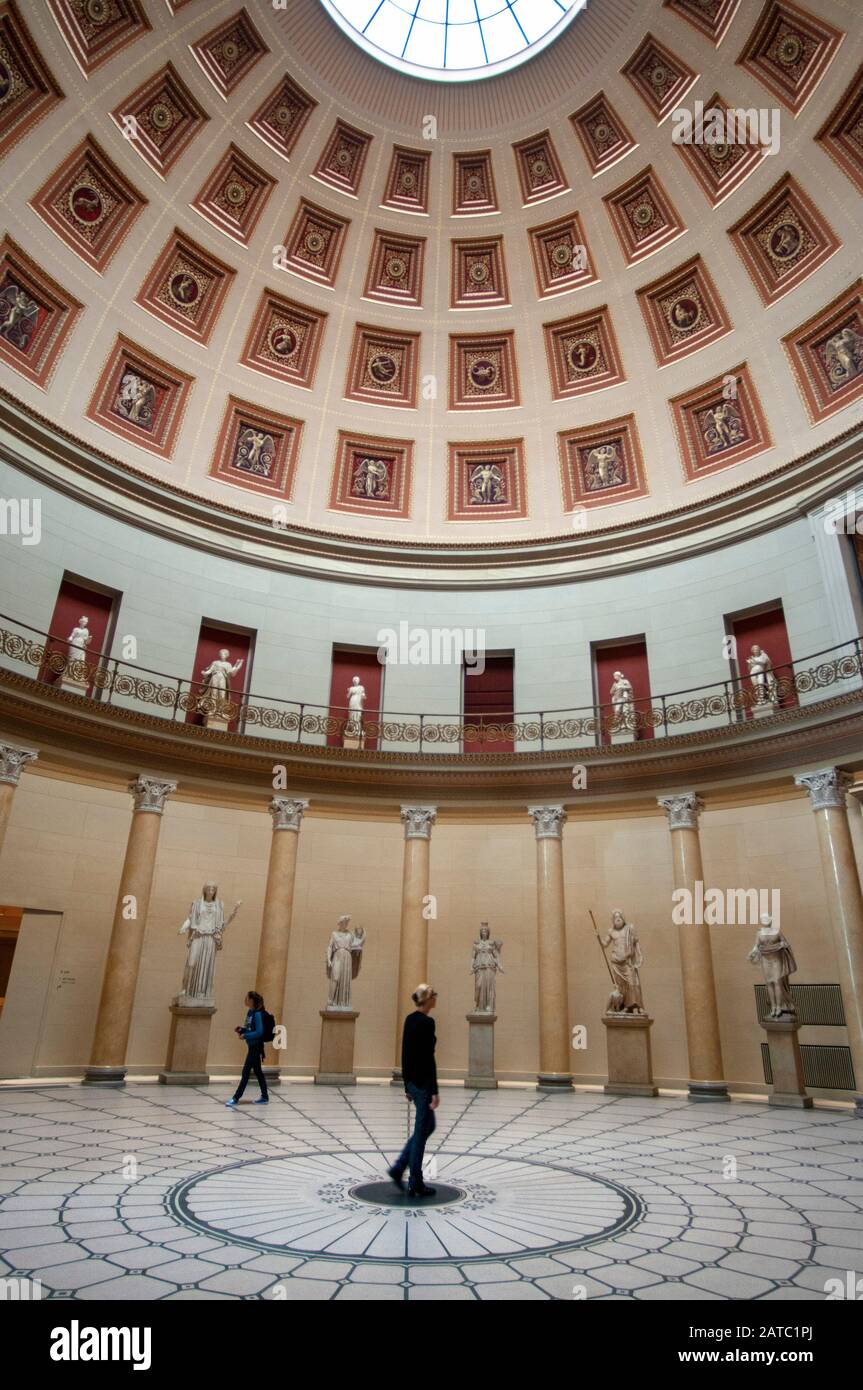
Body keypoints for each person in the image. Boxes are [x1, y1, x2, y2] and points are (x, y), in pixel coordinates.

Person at [388, 984, 439, 1198]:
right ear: (427, 1000)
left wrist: (407, 1082)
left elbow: (405, 1052)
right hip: (424, 1084)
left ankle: (399, 1167)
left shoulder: (410, 1020)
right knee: (422, 1130)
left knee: (427, 1125)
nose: (436, 999)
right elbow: (429, 1058)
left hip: (413, 1083)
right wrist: (434, 1090)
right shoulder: (427, 1023)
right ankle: (415, 1181)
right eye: (434, 996)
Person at [225, 991, 268, 1106]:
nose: (245, 999)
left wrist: (246, 1035)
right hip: (251, 1046)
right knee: (258, 1072)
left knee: (245, 1072)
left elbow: (259, 1032)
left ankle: (236, 1098)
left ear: (251, 1000)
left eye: (246, 998)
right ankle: (265, 1097)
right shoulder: (249, 1012)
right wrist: (242, 1030)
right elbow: (250, 1028)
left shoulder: (258, 1014)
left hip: (256, 1047)